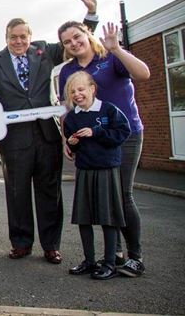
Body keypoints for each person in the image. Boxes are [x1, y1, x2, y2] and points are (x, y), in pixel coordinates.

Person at [0, 0, 98, 264]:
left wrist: (91, 14)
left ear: (31, 37)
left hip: (47, 135)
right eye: (13, 37)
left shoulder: (44, 52)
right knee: (17, 193)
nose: (19, 41)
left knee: (50, 193)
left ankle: (51, 245)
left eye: (23, 36)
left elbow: (76, 40)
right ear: (6, 38)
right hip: (12, 139)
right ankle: (21, 243)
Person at [58, 16, 149, 278]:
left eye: (77, 37)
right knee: (107, 199)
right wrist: (67, 138)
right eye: (67, 41)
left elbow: (143, 74)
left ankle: (135, 257)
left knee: (121, 194)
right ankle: (114, 254)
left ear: (87, 34)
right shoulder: (68, 70)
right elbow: (68, 107)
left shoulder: (110, 57)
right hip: (90, 141)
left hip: (124, 134)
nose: (74, 43)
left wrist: (117, 48)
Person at [62, 71, 131, 280]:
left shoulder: (109, 110)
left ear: (92, 88)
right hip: (84, 169)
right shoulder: (72, 116)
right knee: (84, 218)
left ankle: (109, 263)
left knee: (107, 218)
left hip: (106, 169)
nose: (77, 94)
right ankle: (89, 261)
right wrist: (72, 143)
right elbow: (72, 141)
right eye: (73, 91)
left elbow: (122, 133)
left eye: (81, 89)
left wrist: (97, 132)